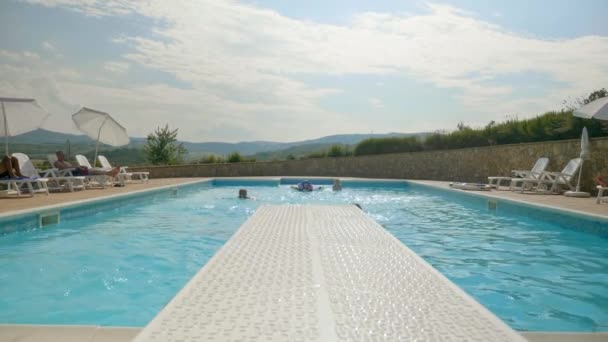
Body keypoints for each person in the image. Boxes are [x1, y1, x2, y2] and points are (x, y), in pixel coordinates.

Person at [54, 151, 120, 177]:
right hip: (71, 174)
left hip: (76, 172)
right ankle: (110, 173)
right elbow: (64, 168)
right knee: (94, 171)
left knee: (94, 169)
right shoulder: (57, 162)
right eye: (61, 155)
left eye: (63, 155)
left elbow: (71, 166)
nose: (63, 156)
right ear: (58, 156)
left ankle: (110, 173)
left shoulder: (65, 162)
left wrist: (79, 166)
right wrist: (76, 167)